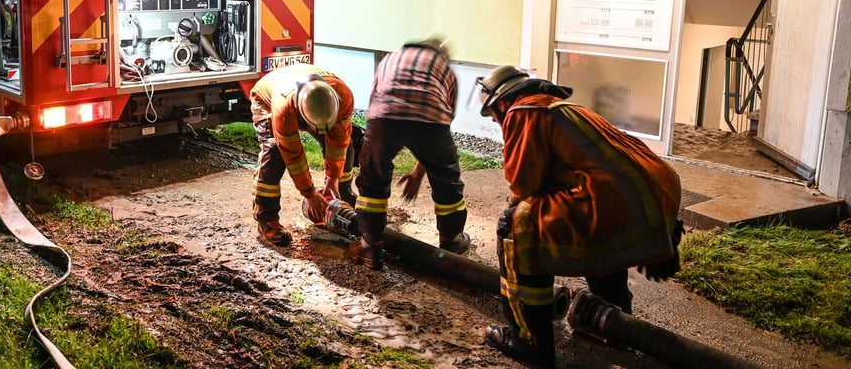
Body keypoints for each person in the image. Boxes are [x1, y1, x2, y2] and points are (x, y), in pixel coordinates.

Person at [475, 66, 683, 367]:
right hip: (653, 190)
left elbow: (524, 183)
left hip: (616, 197)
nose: (497, 122)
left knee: (515, 224)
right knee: (596, 229)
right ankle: (612, 324)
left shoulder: (523, 111)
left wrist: (518, 205)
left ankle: (529, 339)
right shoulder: (562, 107)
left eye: (494, 115)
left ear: (502, 102)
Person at [349, 37, 471, 270]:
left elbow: (375, 97)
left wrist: (375, 148)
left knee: (373, 179)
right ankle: (451, 240)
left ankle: (369, 246)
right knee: (446, 180)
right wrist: (421, 170)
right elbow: (445, 116)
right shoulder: (445, 69)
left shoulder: (389, 59)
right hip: (431, 120)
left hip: (384, 117)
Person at [249, 63, 356, 247]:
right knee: (274, 152)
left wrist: (333, 178)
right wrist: (309, 193)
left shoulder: (343, 95)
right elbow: (293, 155)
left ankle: (342, 195)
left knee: (349, 144)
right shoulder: (284, 107)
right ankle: (267, 220)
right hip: (266, 100)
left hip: (305, 98)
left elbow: (339, 141)